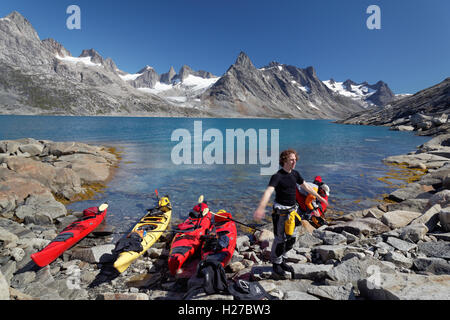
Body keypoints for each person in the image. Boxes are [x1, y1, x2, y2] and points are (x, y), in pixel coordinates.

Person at [253, 149, 328, 276]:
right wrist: (261, 207)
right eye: (291, 160)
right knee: (280, 240)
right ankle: (276, 263)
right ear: (284, 161)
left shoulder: (295, 174)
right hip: (280, 214)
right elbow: (268, 192)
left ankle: (280, 259)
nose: (294, 162)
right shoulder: (277, 176)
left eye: (295, 160)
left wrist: (320, 198)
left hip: (292, 212)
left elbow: (307, 187)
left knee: (292, 239)